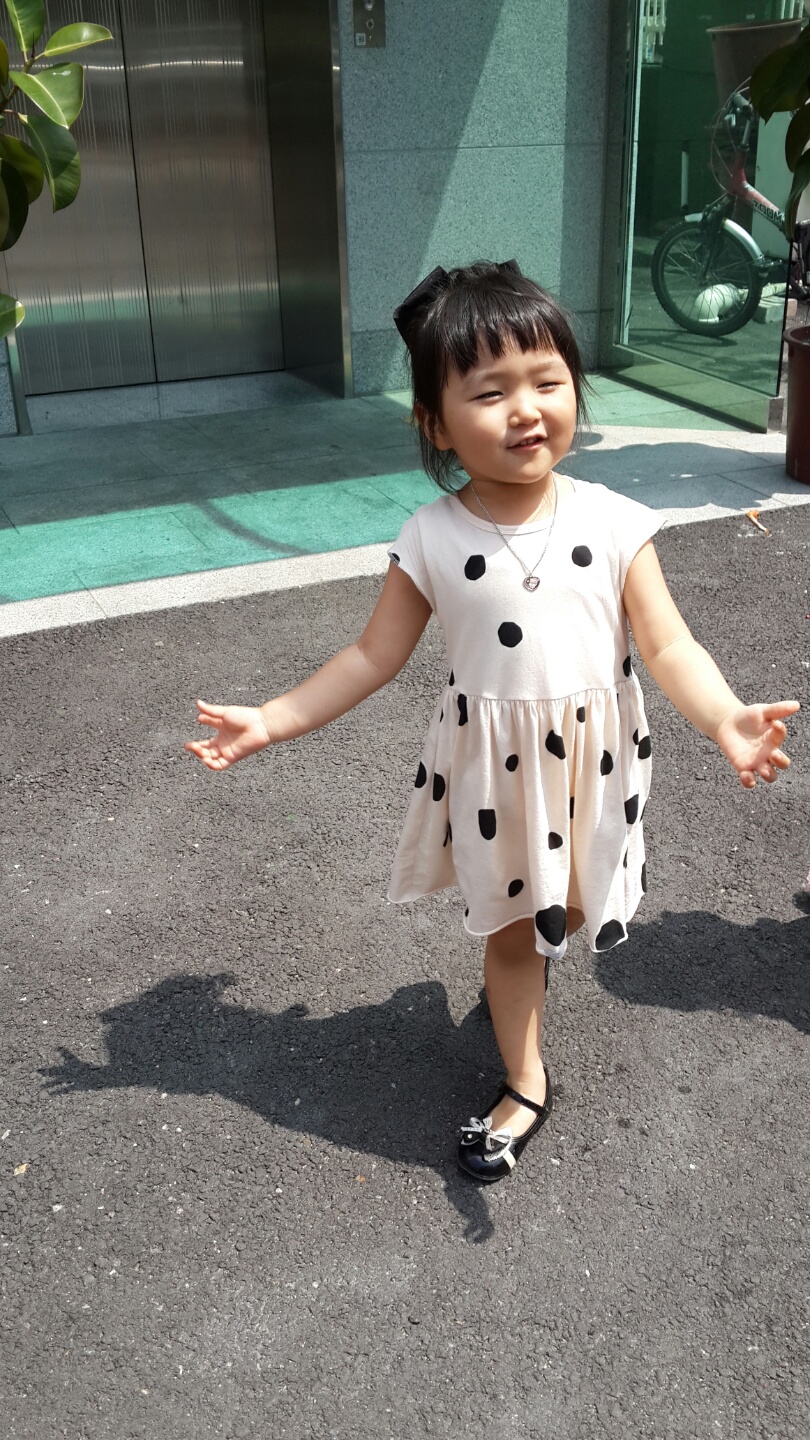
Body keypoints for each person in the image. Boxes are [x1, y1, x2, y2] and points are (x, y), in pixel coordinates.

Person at [185, 260, 799, 1185]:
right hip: (496, 774)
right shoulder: (431, 536)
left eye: (547, 382)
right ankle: (525, 1078)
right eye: (489, 391)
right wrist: (271, 719)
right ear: (435, 423)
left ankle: (528, 980)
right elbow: (371, 656)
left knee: (573, 905)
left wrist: (726, 719)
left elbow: (669, 645)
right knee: (515, 930)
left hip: (592, 764)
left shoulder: (617, 522)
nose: (526, 410)